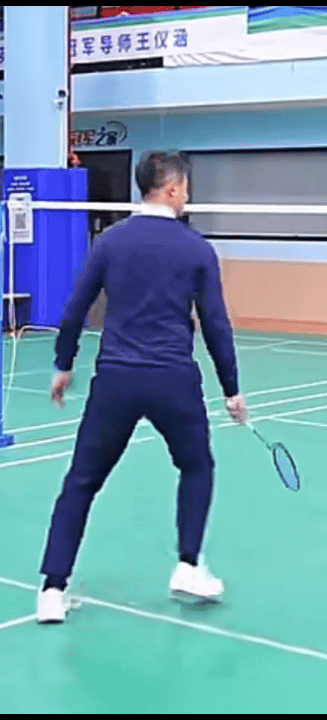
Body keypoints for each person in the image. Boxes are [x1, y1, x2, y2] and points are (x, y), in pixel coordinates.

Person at [37, 151, 247, 624]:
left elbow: (76, 306)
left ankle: (52, 589)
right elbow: (215, 323)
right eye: (185, 187)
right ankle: (188, 565)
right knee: (196, 466)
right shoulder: (196, 248)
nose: (187, 195)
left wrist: (64, 363)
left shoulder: (111, 241)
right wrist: (231, 388)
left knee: (81, 482)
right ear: (171, 189)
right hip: (174, 380)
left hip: (116, 379)